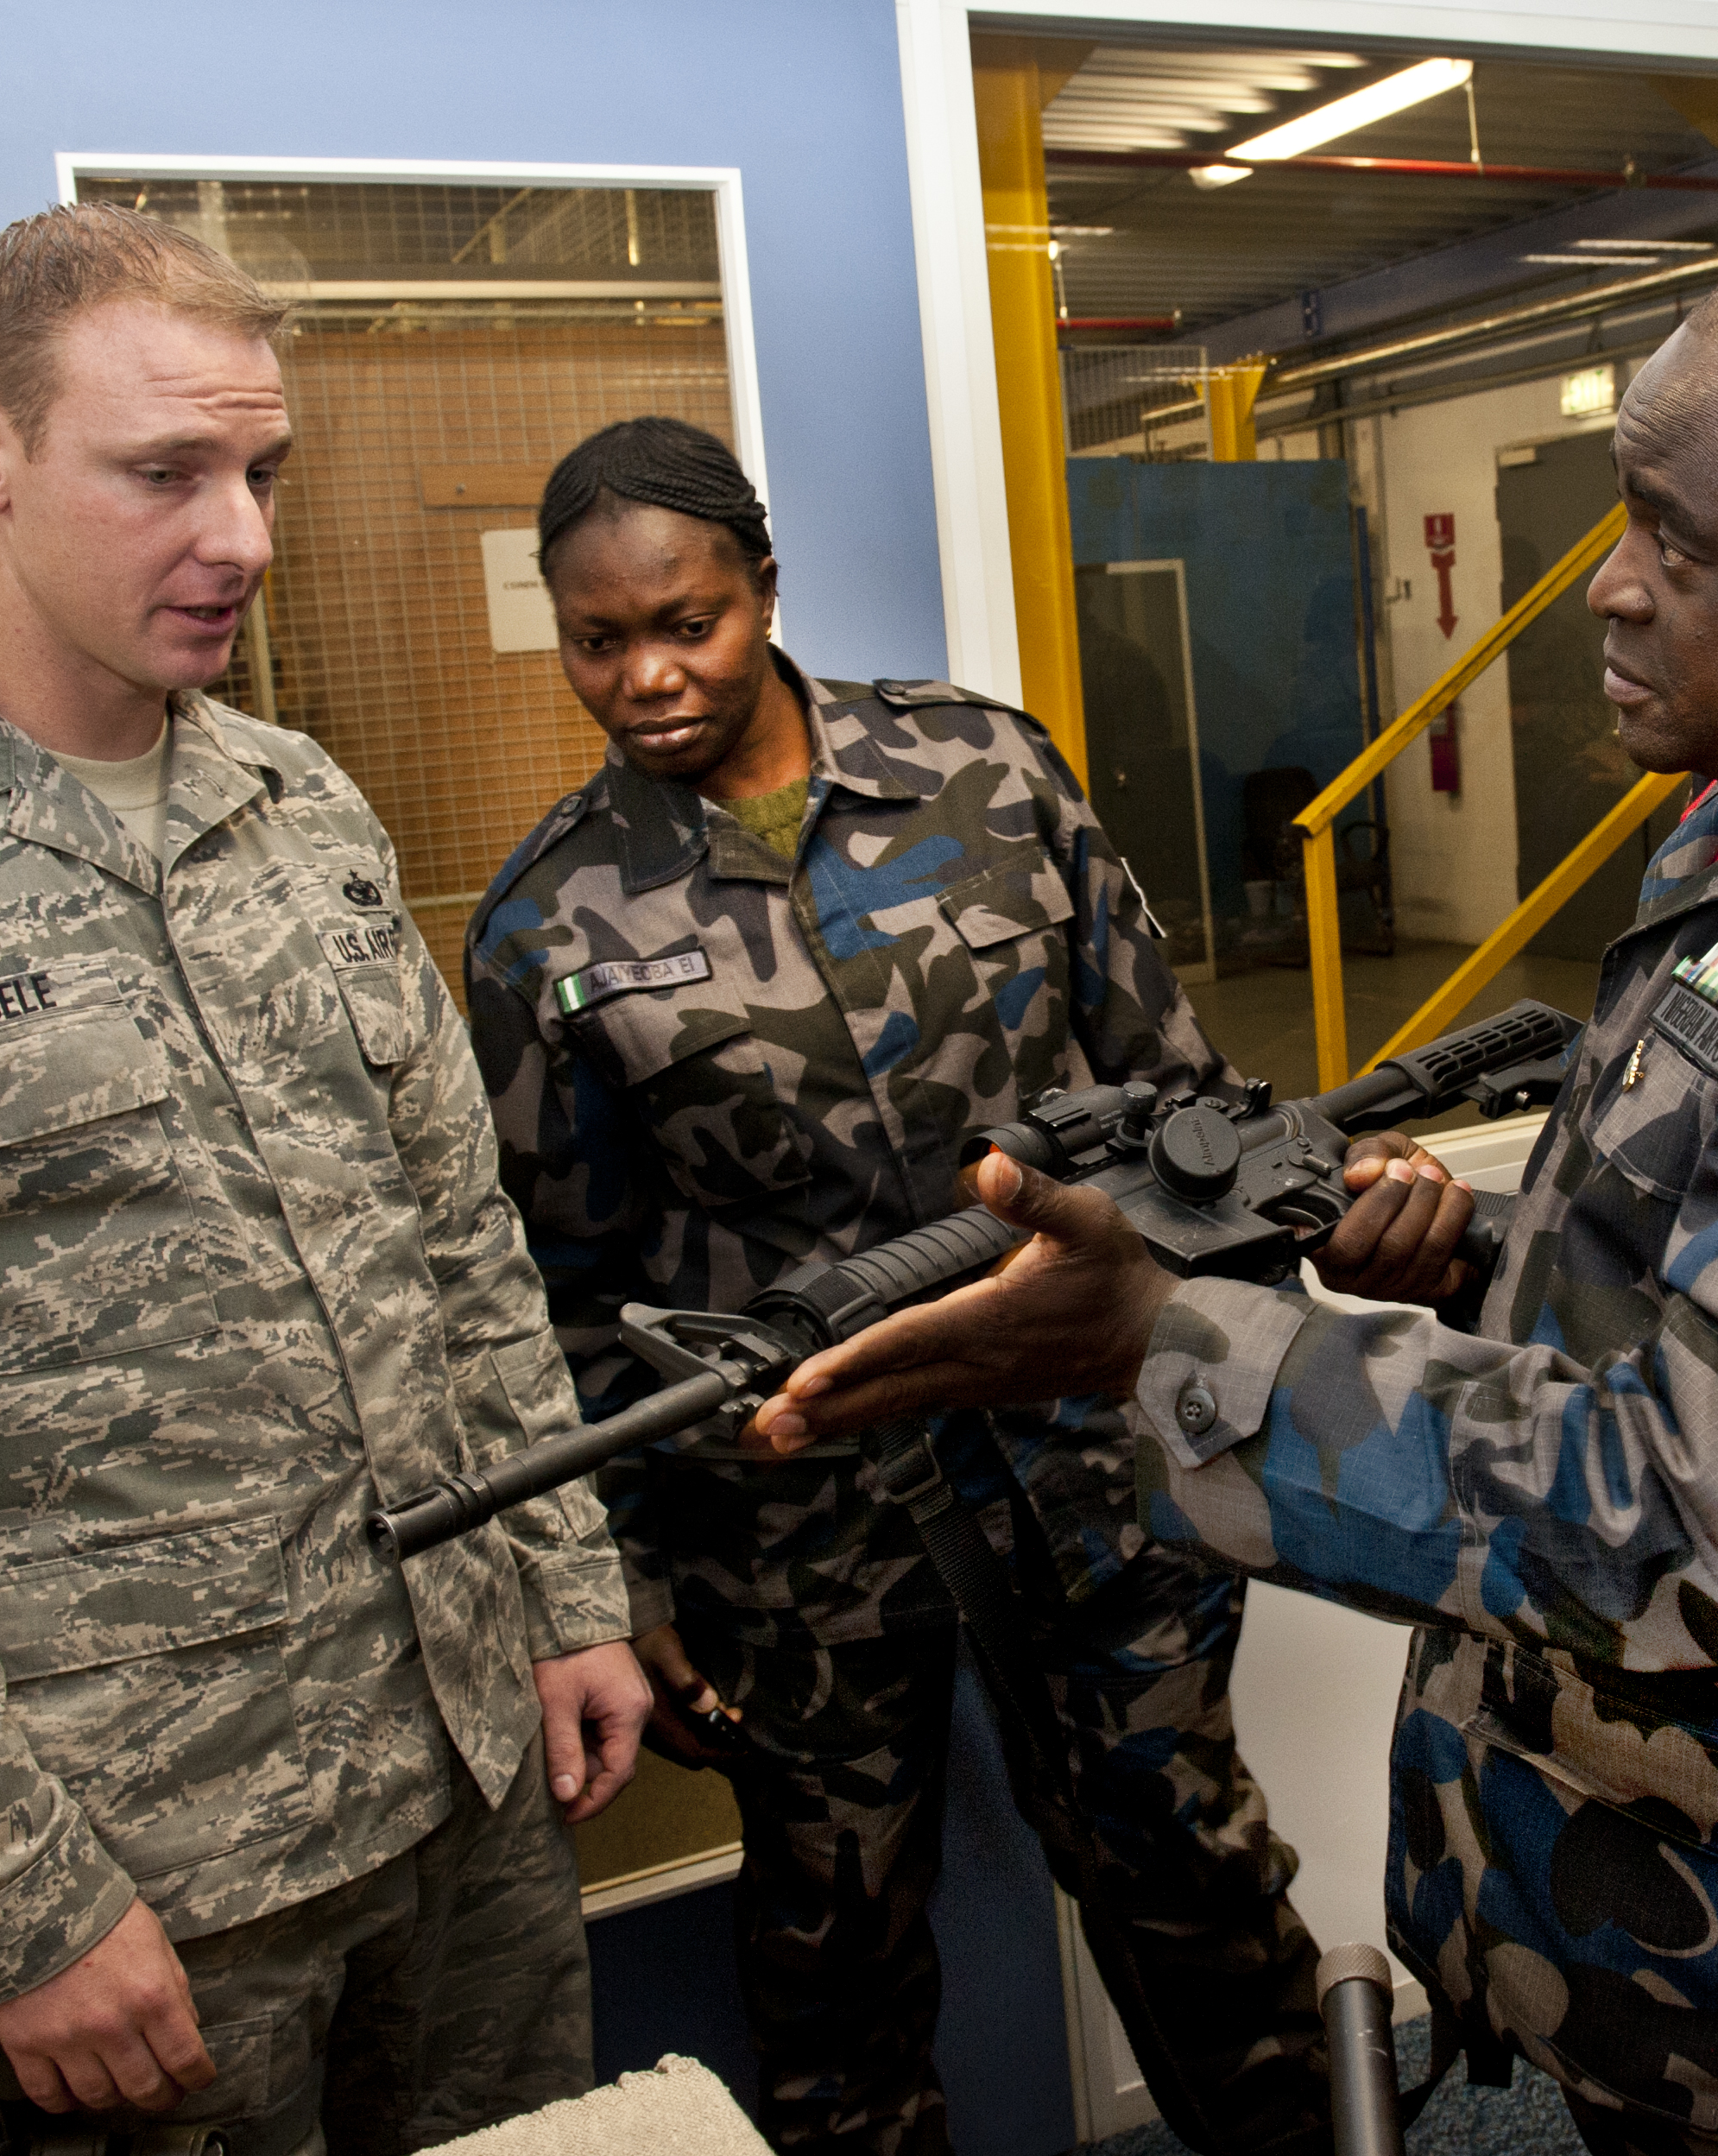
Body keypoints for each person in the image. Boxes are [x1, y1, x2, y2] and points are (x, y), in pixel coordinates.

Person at [743, 245, 1718, 2156]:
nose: (1612, 590)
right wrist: (1478, 1253)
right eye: (1627, 520)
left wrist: (1161, 1343)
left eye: (1680, 547)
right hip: (1666, 1921)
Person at [0, 205, 647, 2155]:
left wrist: (565, 1589)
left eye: (261, 471)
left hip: (468, 1797)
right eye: (166, 473)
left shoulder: (298, 807)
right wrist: (8, 1901)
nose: (244, 538)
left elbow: (459, 1251)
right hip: (144, 1881)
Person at [463, 418, 1329, 2156]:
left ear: (765, 587)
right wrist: (620, 1570)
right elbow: (569, 1290)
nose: (646, 675)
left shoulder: (987, 775)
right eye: (597, 641)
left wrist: (1237, 1375)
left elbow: (1177, 1094)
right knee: (837, 1971)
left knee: (1195, 1884)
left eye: (686, 621)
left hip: (1090, 1458)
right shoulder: (549, 925)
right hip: (799, 1530)